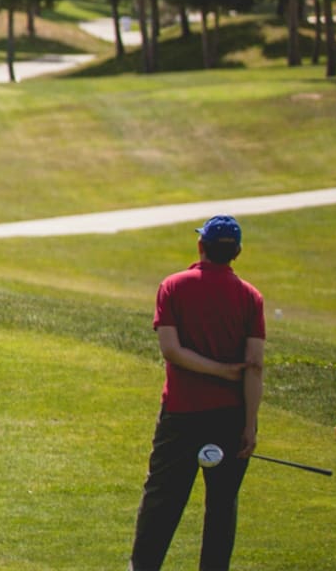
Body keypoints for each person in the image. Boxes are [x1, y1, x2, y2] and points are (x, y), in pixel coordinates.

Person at [129, 215, 266, 571]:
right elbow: (254, 366)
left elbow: (171, 351)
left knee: (162, 499)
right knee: (221, 505)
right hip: (231, 416)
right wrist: (249, 426)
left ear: (200, 246)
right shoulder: (251, 297)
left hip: (181, 414)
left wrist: (217, 372)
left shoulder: (173, 286)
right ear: (236, 253)